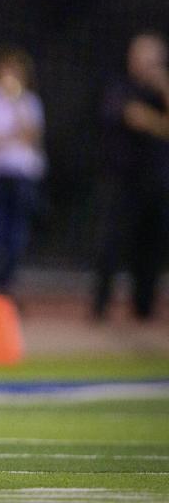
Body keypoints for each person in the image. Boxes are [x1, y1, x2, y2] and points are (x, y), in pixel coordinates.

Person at [93, 33, 169, 320]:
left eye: (155, 59)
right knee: (110, 244)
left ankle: (144, 309)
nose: (149, 65)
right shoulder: (119, 86)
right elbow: (134, 117)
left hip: (156, 181)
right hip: (121, 179)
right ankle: (100, 307)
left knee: (151, 247)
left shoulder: (160, 92)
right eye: (143, 58)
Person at [0, 47, 45, 293]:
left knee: (17, 233)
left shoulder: (28, 100)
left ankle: (6, 283)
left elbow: (32, 135)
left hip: (22, 174)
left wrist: (15, 104)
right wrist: (12, 135)